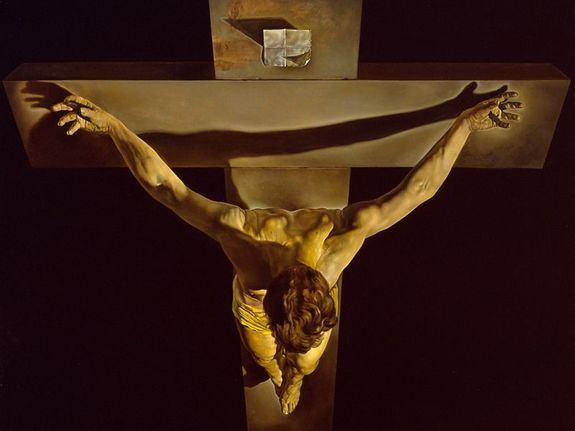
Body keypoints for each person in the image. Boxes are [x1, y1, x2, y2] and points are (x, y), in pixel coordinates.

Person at [53, 90, 522, 414]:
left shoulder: (337, 243)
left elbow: (419, 190)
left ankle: (293, 378)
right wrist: (111, 126)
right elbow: (167, 190)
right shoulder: (243, 239)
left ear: (324, 284)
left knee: (307, 362)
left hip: (295, 314)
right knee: (266, 359)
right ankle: (278, 379)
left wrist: (465, 123)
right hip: (255, 313)